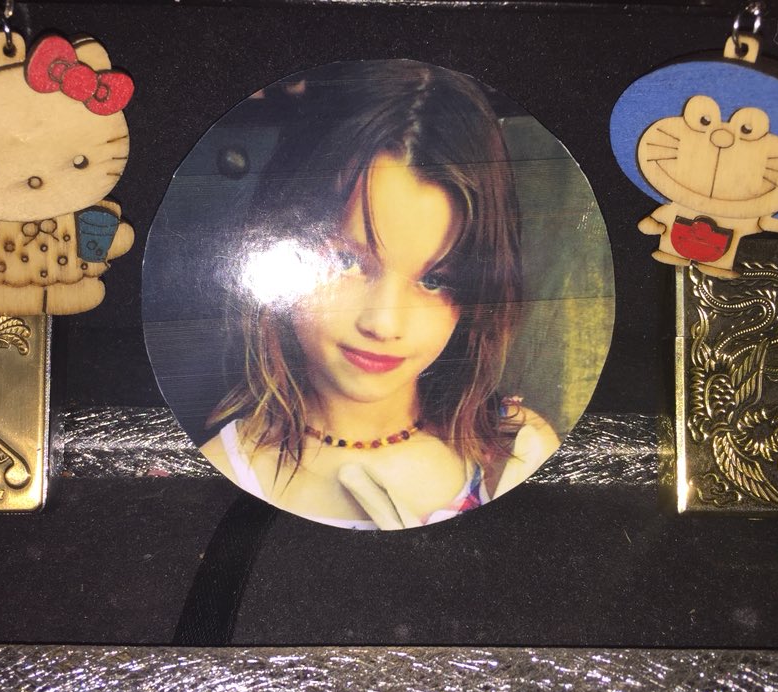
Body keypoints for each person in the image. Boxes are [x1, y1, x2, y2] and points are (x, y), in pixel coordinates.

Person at [201, 60, 559, 530]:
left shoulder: (517, 451)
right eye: (345, 261)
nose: (384, 323)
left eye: (436, 280)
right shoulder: (226, 472)